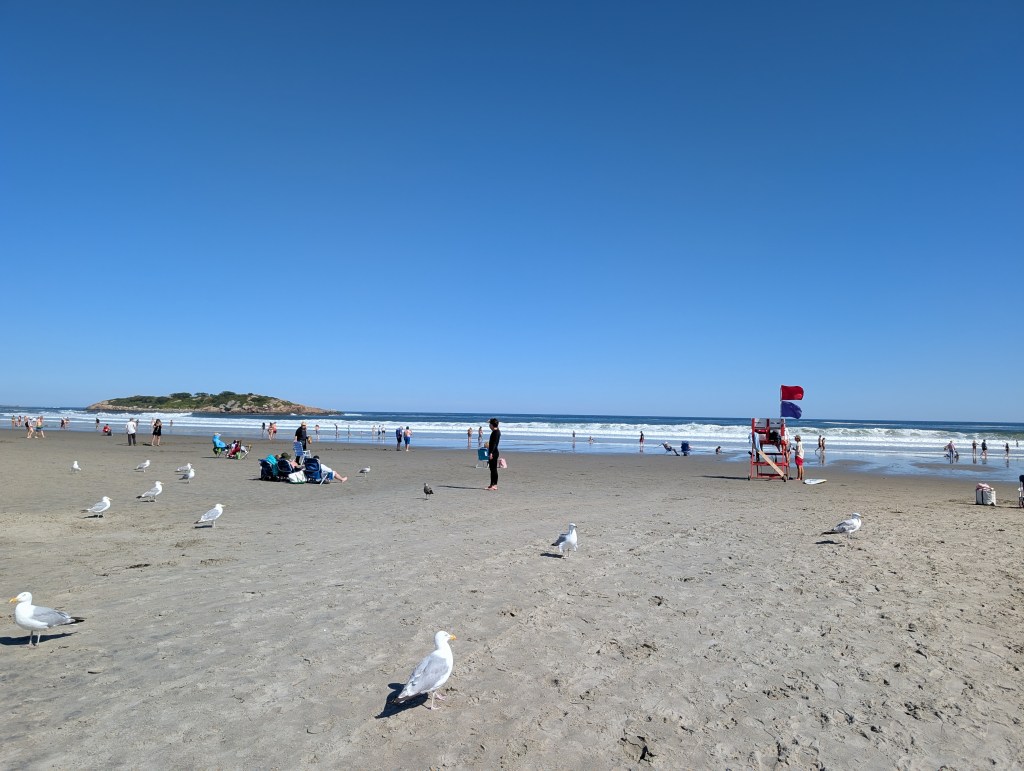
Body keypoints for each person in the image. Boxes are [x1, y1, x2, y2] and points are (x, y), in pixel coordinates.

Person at [486, 418, 501, 490]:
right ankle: (491, 484)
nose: (489, 426)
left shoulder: (496, 432)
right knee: (491, 469)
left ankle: (495, 485)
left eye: (490, 424)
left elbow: (494, 444)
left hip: (494, 452)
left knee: (494, 469)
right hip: (493, 451)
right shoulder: (495, 431)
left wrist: (491, 453)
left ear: (492, 425)